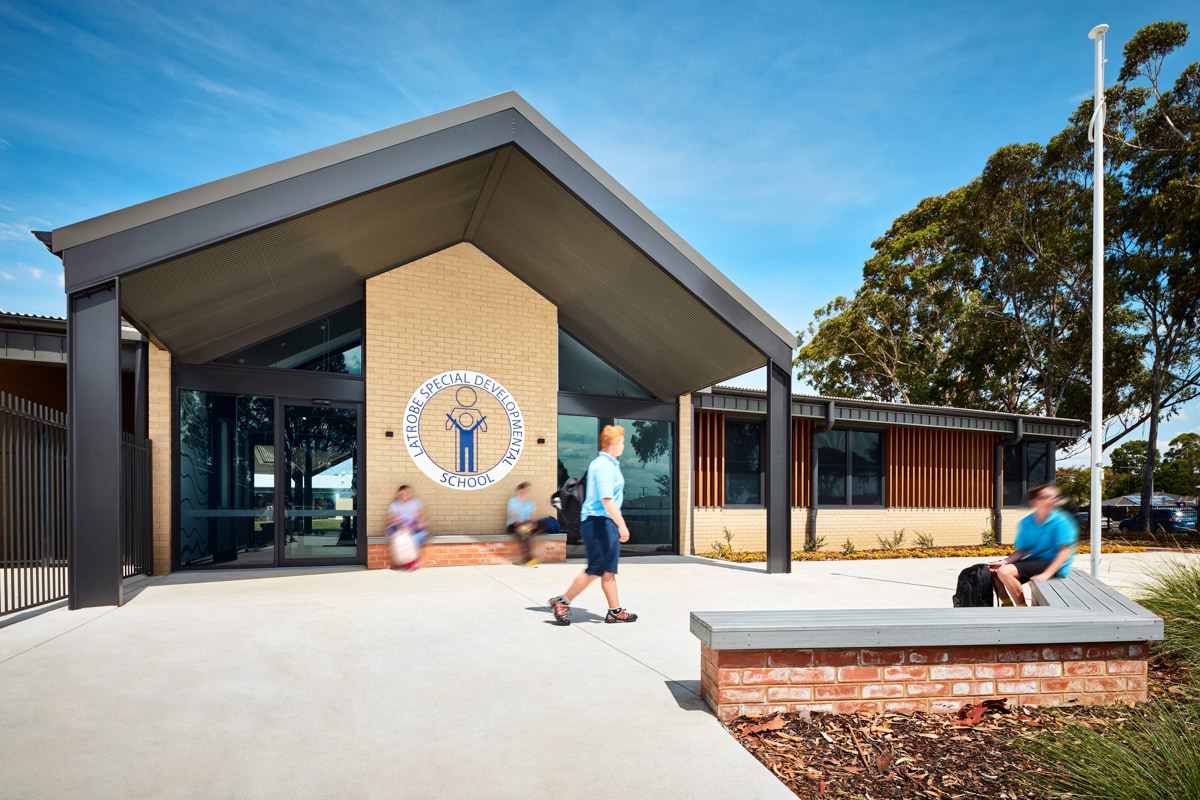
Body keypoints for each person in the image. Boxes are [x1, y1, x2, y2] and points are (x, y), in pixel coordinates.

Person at [548, 425, 638, 625]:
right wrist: (621, 525)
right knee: (595, 569)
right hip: (598, 522)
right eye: (622, 442)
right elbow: (607, 499)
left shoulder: (610, 464)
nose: (623, 446)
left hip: (604, 522)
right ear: (614, 444)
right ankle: (562, 602)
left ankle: (615, 611)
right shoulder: (603, 465)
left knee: (608, 570)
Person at [989, 482, 1077, 606]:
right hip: (1036, 561)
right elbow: (1022, 550)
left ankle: (1023, 609)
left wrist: (1047, 574)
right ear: (1034, 501)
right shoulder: (1027, 522)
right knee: (993, 572)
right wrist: (1004, 562)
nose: (1051, 501)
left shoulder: (1061, 521)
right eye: (1046, 497)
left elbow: (1064, 552)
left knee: (1005, 572)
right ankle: (1007, 605)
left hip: (1054, 563)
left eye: (1054, 498)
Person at [388, 484, 429, 569]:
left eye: (407, 493)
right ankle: (408, 561)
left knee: (416, 537)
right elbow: (391, 519)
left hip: (413, 526)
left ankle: (411, 561)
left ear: (410, 493)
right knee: (401, 538)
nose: (404, 495)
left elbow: (421, 517)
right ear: (399, 494)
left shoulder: (415, 503)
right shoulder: (394, 505)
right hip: (399, 527)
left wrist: (418, 523)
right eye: (402, 494)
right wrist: (401, 526)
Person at [507, 481, 545, 566]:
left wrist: (528, 525)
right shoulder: (513, 501)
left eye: (527, 491)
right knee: (525, 534)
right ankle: (528, 560)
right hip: (513, 525)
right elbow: (513, 516)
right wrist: (521, 527)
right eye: (522, 491)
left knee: (532, 530)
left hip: (526, 524)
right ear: (518, 491)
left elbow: (532, 518)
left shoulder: (530, 503)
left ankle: (527, 560)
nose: (524, 493)